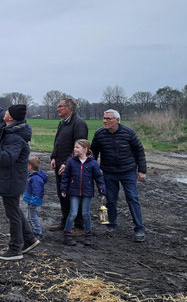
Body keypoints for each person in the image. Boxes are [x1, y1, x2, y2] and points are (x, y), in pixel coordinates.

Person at [0, 87, 39, 260]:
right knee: (14, 209)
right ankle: (30, 239)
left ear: (10, 117)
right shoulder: (10, 125)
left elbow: (7, 158)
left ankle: (15, 250)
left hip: (12, 180)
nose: (4, 113)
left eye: (7, 112)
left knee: (12, 213)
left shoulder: (15, 137)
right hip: (11, 179)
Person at [90, 109, 148, 242]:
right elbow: (93, 154)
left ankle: (139, 228)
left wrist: (142, 170)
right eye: (104, 118)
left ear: (117, 120)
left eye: (109, 119)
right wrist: (91, 171)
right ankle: (111, 224)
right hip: (109, 172)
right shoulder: (99, 134)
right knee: (110, 199)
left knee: (132, 198)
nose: (105, 121)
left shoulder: (128, 133)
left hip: (128, 171)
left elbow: (139, 151)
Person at [48, 98, 88, 234]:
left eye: (60, 106)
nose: (57, 109)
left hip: (73, 167)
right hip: (60, 166)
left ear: (69, 108)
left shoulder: (79, 124)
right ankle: (65, 222)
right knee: (62, 194)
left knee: (75, 195)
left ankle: (79, 226)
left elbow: (79, 148)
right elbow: (57, 142)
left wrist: (66, 163)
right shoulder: (63, 123)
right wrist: (53, 156)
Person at [60, 140, 105, 246]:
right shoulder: (71, 162)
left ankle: (88, 235)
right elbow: (66, 176)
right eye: (75, 147)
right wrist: (63, 189)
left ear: (85, 149)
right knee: (73, 213)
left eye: (77, 147)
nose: (75, 149)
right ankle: (67, 235)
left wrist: (102, 192)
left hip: (87, 193)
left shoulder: (93, 163)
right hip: (74, 192)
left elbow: (99, 178)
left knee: (85, 213)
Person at [23, 156, 48, 238]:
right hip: (32, 201)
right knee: (31, 216)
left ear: (30, 166)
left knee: (33, 217)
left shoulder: (36, 178)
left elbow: (37, 192)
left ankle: (37, 232)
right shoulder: (32, 175)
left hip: (34, 202)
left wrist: (33, 203)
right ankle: (33, 230)